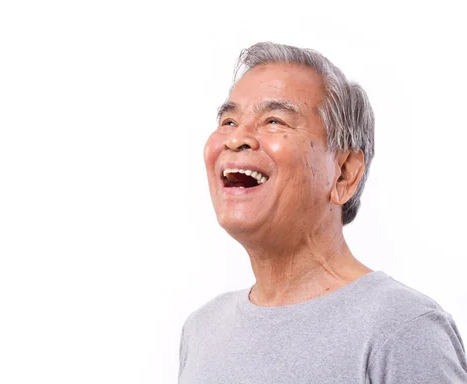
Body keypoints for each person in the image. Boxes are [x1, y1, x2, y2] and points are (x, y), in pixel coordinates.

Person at [178, 41, 467, 383]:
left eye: (274, 120)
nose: (236, 138)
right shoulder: (202, 330)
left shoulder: (403, 330)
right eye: (228, 121)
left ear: (345, 172)